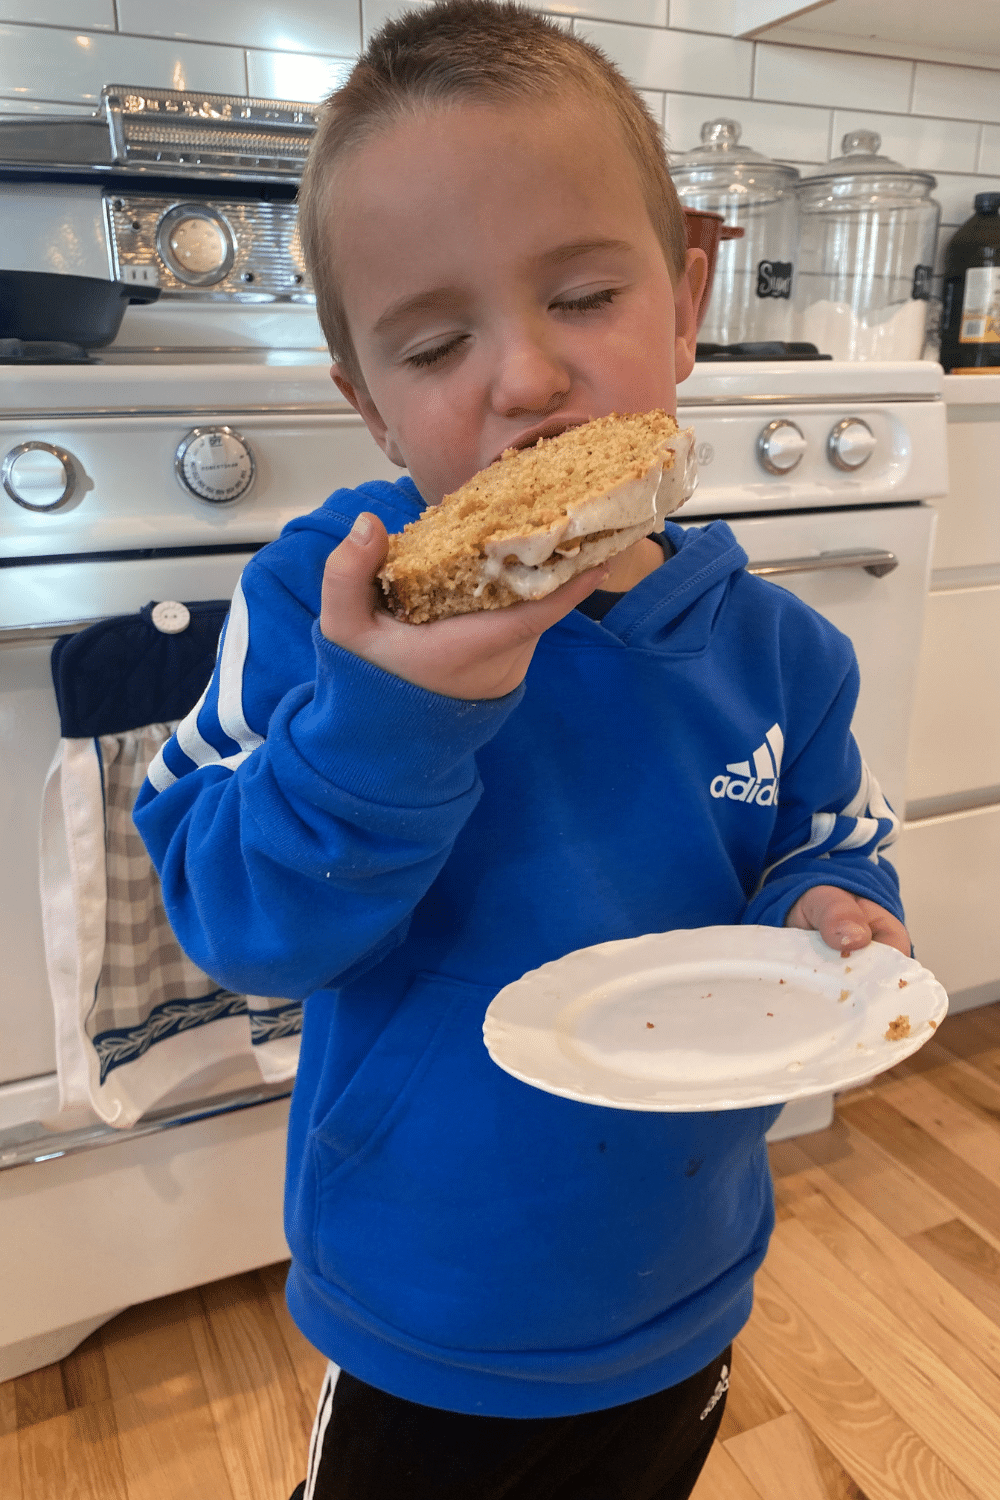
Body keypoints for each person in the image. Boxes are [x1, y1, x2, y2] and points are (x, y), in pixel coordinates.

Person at [134, 4, 911, 1496]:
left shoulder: (781, 652)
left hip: (682, 1277)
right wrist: (392, 718)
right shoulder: (324, 607)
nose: (529, 379)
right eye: (435, 342)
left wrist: (822, 910)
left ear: (686, 299)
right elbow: (232, 924)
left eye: (585, 294)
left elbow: (828, 841)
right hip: (428, 1297)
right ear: (366, 398)